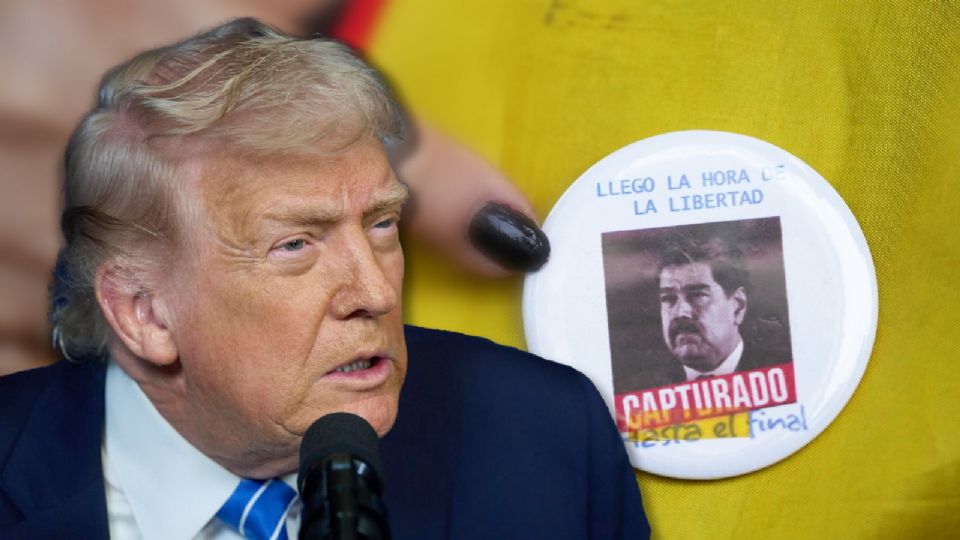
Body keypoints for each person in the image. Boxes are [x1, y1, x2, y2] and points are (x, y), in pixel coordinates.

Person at [0, 19, 648, 540]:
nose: (377, 294)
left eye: (381, 224)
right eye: (295, 245)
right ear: (144, 313)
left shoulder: (548, 433)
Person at [657, 237, 764, 382]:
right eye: (669, 298)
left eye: (697, 296)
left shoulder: (786, 370)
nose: (681, 312)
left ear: (738, 306)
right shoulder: (642, 386)